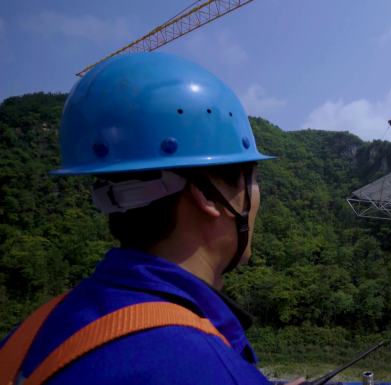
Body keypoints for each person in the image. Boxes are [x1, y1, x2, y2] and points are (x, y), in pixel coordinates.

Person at [0, 52, 304, 385]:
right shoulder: (205, 367)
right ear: (208, 195)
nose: (258, 193)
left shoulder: (30, 335)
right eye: (253, 178)